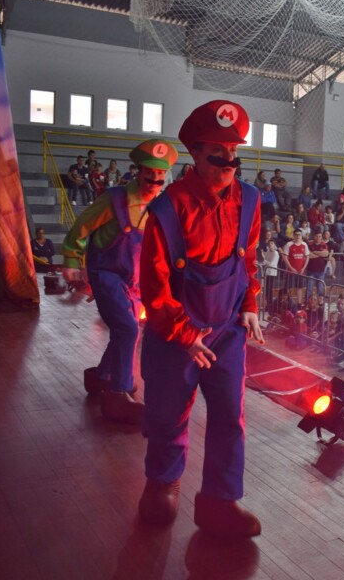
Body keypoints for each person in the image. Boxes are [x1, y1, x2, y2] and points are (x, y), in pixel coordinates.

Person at [137, 100, 265, 538]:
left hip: (227, 329)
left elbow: (248, 261)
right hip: (177, 332)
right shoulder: (167, 209)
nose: (229, 163)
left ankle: (219, 501)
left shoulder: (250, 200)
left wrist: (250, 305)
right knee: (169, 413)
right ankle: (163, 483)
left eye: (235, 154)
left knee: (231, 415)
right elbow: (154, 287)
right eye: (218, 154)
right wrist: (185, 333)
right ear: (195, 152)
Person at [62, 139, 178, 423]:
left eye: (160, 175)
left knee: (128, 330)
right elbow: (81, 228)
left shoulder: (162, 206)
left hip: (136, 279)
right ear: (138, 171)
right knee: (126, 328)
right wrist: (71, 261)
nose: (154, 180)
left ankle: (102, 376)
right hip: (106, 274)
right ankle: (119, 393)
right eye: (149, 173)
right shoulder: (114, 199)